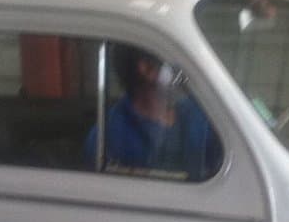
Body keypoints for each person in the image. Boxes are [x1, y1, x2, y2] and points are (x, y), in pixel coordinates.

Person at [86, 44, 220, 180]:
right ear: (147, 69)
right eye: (174, 65)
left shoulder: (199, 115)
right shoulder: (107, 138)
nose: (183, 75)